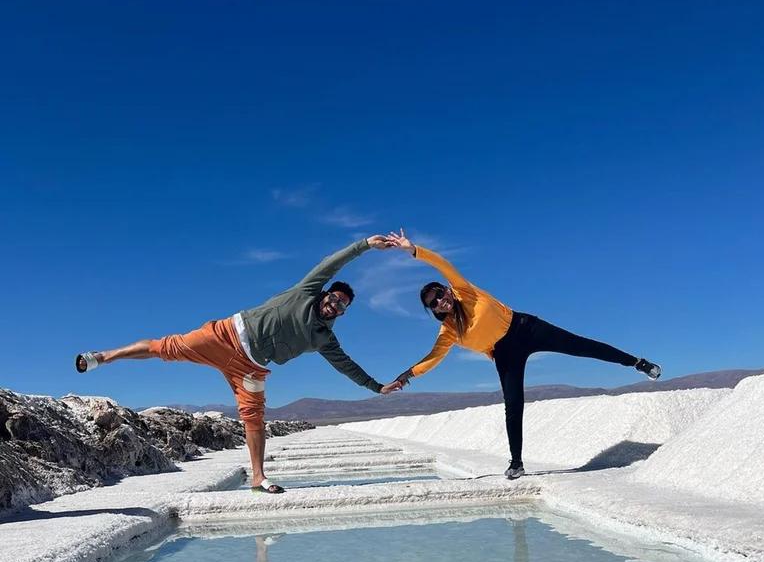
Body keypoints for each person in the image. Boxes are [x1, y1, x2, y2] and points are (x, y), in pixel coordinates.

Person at [75, 236, 403, 493]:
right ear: (326, 295)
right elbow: (331, 263)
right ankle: (105, 357)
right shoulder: (306, 292)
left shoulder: (324, 339)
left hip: (251, 367)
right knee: (166, 347)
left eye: (341, 306)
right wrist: (364, 246)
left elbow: (346, 365)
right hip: (227, 336)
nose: (334, 305)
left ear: (343, 312)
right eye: (333, 298)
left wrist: (376, 387)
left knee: (254, 418)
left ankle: (257, 478)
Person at [384, 230, 661, 479]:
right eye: (434, 303)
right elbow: (432, 358)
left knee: (582, 346)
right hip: (505, 354)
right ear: (434, 311)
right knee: (513, 405)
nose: (441, 300)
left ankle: (638, 362)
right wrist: (405, 377)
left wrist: (412, 250)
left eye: (440, 293)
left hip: (526, 328)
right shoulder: (449, 332)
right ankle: (516, 463)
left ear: (446, 289)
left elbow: (441, 264)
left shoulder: (463, 290)